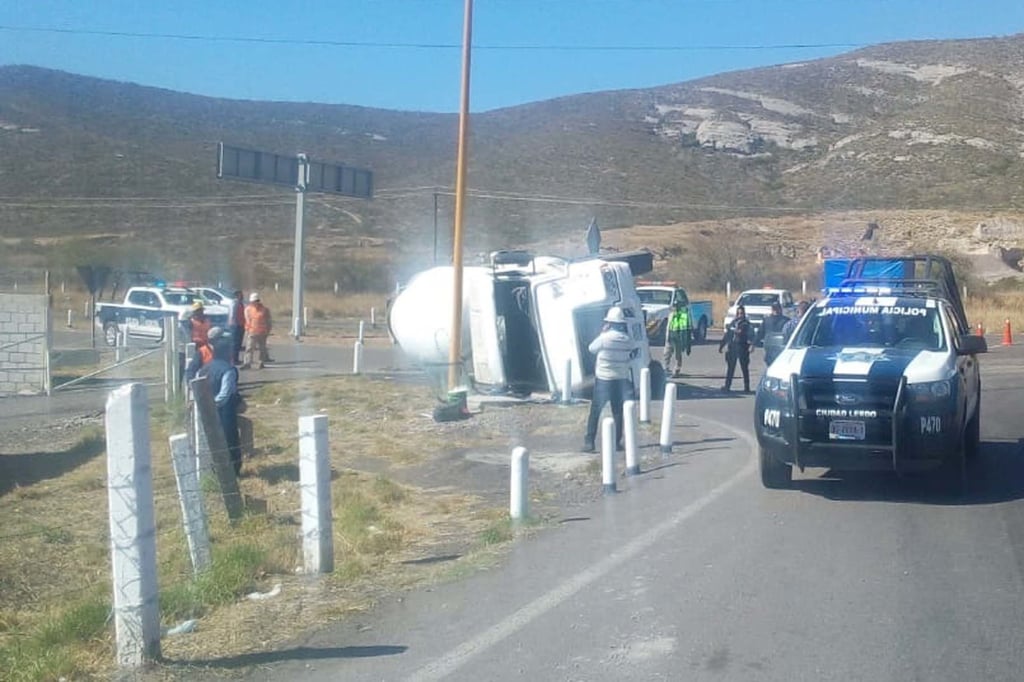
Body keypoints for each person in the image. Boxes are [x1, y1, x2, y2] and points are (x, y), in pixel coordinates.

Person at [583, 306, 639, 453]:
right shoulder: (627, 340)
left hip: (603, 379)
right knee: (618, 411)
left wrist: (603, 332)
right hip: (620, 379)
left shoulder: (604, 338)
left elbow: (591, 348)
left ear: (609, 323)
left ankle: (589, 442)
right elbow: (634, 351)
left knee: (595, 411)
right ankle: (616, 442)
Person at [198, 327, 243, 476]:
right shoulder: (228, 370)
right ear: (226, 353)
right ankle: (232, 472)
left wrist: (204, 405)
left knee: (210, 441)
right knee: (230, 442)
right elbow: (225, 395)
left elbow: (196, 389)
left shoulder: (204, 369)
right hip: (225, 413)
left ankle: (213, 471)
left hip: (205, 412)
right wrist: (212, 406)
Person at [719, 304, 753, 392]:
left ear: (744, 314)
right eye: (738, 313)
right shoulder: (733, 322)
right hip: (733, 347)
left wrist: (751, 345)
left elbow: (745, 333)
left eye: (741, 313)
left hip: (742, 347)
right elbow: (727, 335)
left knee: (744, 368)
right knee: (730, 368)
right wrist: (722, 345)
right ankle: (727, 386)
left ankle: (747, 387)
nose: (739, 315)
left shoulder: (746, 323)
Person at [243, 292, 272, 369]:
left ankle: (261, 362)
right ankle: (247, 363)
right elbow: (247, 320)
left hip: (262, 332)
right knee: (249, 348)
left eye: (255, 301)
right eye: (252, 302)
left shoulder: (264, 310)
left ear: (258, 301)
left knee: (262, 348)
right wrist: (247, 330)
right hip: (252, 331)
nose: (253, 303)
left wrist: (268, 330)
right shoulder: (248, 309)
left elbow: (268, 321)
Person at [663, 301, 692, 378]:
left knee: (677, 356)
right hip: (670, 337)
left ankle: (676, 370)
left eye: (675, 306)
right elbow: (668, 326)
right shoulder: (671, 315)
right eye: (673, 306)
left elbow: (686, 329)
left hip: (678, 339)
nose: (673, 308)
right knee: (666, 353)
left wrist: (687, 343)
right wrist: (667, 337)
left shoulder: (683, 316)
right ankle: (665, 368)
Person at [758, 301, 791, 366]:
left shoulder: (786, 321)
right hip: (770, 346)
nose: (775, 310)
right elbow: (760, 332)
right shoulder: (767, 320)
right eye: (774, 309)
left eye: (777, 308)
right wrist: (754, 343)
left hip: (781, 346)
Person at [227, 289, 246, 365]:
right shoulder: (234, 303)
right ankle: (233, 359)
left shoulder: (240, 303)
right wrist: (233, 323)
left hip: (240, 325)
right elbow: (232, 314)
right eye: (241, 295)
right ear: (237, 295)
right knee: (234, 343)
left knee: (238, 343)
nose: (242, 296)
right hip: (235, 325)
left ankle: (236, 358)